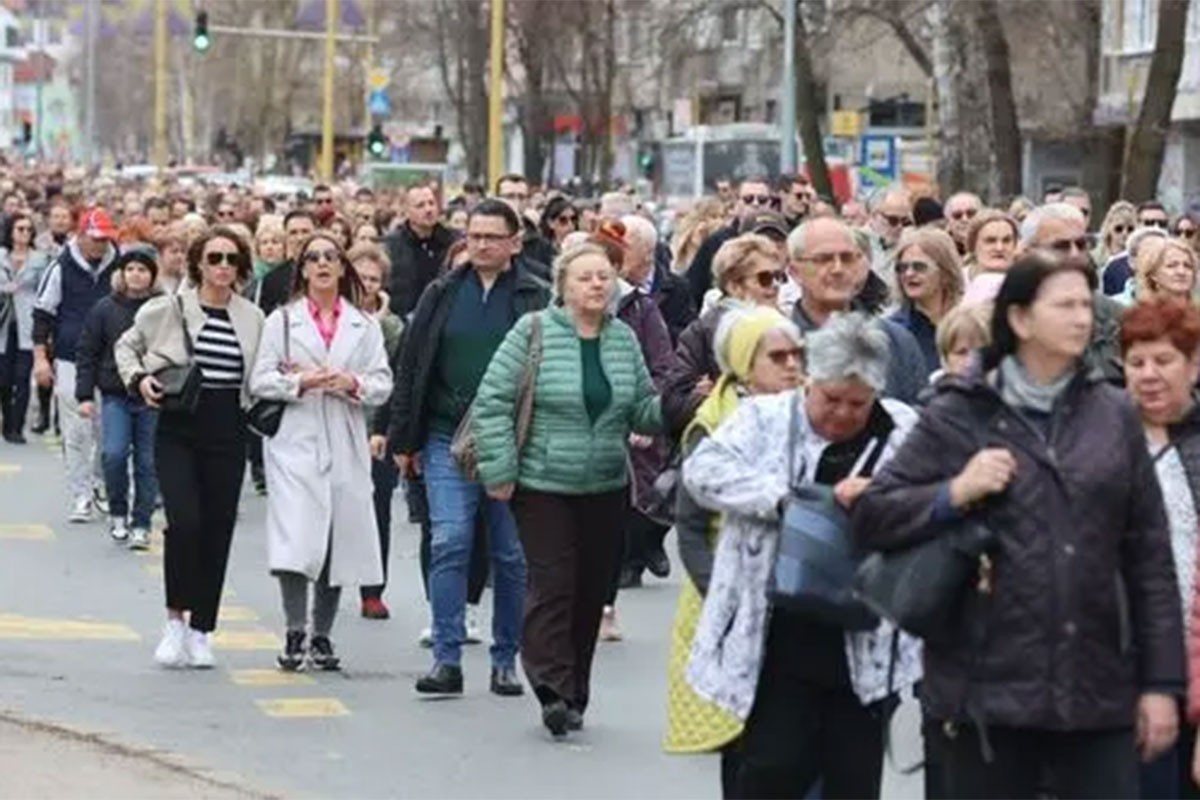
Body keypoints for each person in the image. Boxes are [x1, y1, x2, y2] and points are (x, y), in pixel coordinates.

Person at [852, 252, 1183, 798]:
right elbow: (874, 515)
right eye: (1064, 305)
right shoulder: (961, 410)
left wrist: (1161, 685)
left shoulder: (1114, 412)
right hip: (986, 694)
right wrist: (953, 493)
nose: (1082, 317)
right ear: (1021, 319)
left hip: (1096, 687)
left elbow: (1149, 558)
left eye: (1085, 304)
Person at [682, 312, 922, 799]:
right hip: (775, 629)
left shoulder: (902, 429)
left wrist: (880, 501)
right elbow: (703, 471)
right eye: (830, 399)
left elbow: (929, 499)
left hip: (863, 633)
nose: (841, 414)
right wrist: (788, 500)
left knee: (852, 780)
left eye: (857, 403)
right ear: (809, 381)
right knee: (770, 770)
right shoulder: (764, 417)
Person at [472, 242, 661, 737]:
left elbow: (642, 408)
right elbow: (492, 402)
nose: (597, 284)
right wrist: (500, 469)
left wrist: (680, 406)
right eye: (586, 277)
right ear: (563, 287)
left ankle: (576, 690)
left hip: (604, 483)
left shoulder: (622, 339)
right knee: (554, 584)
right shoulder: (532, 331)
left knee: (591, 591)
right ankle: (551, 687)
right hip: (542, 482)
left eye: (604, 276)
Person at [388, 199, 550, 697]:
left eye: (492, 237)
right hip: (444, 434)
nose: (481, 244)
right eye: (474, 235)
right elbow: (413, 364)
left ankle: (506, 660)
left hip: (513, 438)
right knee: (450, 540)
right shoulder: (442, 293)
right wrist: (403, 437)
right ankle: (446, 657)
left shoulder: (535, 297)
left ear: (514, 242)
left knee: (511, 553)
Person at [664, 307, 803, 795]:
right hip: (728, 595)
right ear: (744, 363)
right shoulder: (713, 424)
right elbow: (691, 525)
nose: (791, 366)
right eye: (777, 357)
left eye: (797, 356)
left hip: (800, 594)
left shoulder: (812, 415)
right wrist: (720, 595)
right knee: (744, 742)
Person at [115, 227, 265, 669]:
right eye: (214, 258)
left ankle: (203, 629)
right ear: (197, 262)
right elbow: (126, 346)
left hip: (228, 426)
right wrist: (139, 379)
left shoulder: (252, 317)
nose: (222, 267)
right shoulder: (168, 309)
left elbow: (263, 372)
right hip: (178, 424)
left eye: (231, 259)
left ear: (241, 268)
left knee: (218, 527)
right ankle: (174, 621)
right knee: (185, 522)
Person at [250, 233, 392, 672]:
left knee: (335, 537)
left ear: (342, 268)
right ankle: (295, 630)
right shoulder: (283, 322)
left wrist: (353, 384)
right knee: (296, 538)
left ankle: (323, 634)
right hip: (297, 438)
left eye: (331, 257)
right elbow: (259, 380)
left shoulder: (364, 325)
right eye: (314, 258)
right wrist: (301, 382)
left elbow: (382, 383)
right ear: (304, 269)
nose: (323, 264)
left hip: (344, 437)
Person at [1121, 299, 1200, 799]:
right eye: (1136, 362)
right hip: (1125, 679)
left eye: (1164, 361)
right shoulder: (1103, 441)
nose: (1149, 375)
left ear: (1194, 365)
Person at [597, 222, 676, 638]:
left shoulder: (641, 311)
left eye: (604, 268)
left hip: (619, 440)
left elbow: (663, 369)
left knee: (610, 528)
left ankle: (605, 604)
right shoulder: (547, 317)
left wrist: (646, 417)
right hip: (562, 444)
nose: (595, 279)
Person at [33, 208, 120, 521]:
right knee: (77, 429)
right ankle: (81, 493)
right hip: (70, 357)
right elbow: (43, 315)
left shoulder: (121, 264)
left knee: (107, 430)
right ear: (81, 236)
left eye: (105, 239)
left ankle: (100, 481)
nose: (100, 245)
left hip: (111, 360)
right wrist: (41, 359)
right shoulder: (61, 266)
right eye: (95, 239)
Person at [788, 216, 926, 404]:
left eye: (847, 258)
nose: (838, 269)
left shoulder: (897, 341)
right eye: (823, 259)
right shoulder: (778, 347)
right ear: (795, 272)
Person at [74, 250, 161, 548]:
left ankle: (141, 522)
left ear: (153, 274)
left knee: (148, 462)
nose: (136, 275)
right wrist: (85, 395)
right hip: (115, 395)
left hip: (153, 397)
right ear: (121, 274)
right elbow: (87, 352)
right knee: (113, 454)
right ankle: (118, 513)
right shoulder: (105, 308)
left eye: (143, 269)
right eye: (130, 269)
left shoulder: (162, 307)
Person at [663, 234, 787, 438]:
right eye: (764, 278)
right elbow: (673, 407)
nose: (775, 285)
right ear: (734, 286)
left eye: (779, 277)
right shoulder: (702, 333)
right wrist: (719, 394)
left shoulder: (787, 328)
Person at [349, 241, 405, 620]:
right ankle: (328, 579)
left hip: (377, 427)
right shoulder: (326, 318)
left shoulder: (393, 325)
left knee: (378, 508)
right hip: (337, 422)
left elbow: (395, 377)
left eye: (374, 279)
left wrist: (384, 430)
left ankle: (373, 589)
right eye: (361, 277)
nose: (367, 285)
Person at [0, 212, 50, 443]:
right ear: (10, 231)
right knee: (4, 379)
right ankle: (7, 422)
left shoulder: (40, 259)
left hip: (28, 323)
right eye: (20, 228)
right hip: (3, 323)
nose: (24, 233)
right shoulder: (0, 256)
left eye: (28, 229)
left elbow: (45, 291)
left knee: (22, 377)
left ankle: (17, 428)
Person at [887, 227, 964, 378]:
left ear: (945, 272)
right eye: (902, 268)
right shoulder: (892, 333)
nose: (909, 274)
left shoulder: (967, 325)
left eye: (919, 267)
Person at [685, 177, 775, 301]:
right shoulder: (717, 241)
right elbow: (694, 288)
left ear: (770, 204)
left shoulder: (778, 237)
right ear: (737, 203)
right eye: (748, 199)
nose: (755, 204)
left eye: (762, 200)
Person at [383, 184, 457, 317]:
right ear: (407, 211)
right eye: (420, 205)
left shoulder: (453, 241)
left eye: (431, 203)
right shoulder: (392, 245)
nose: (428, 209)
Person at [961, 210, 1019, 307]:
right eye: (990, 241)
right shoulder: (956, 281)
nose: (999, 248)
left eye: (1007, 240)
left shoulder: (1025, 281)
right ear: (972, 245)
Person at [1122, 236, 1199, 305]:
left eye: (1188, 266)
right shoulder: (1140, 315)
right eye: (1171, 266)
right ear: (1153, 274)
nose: (1181, 272)